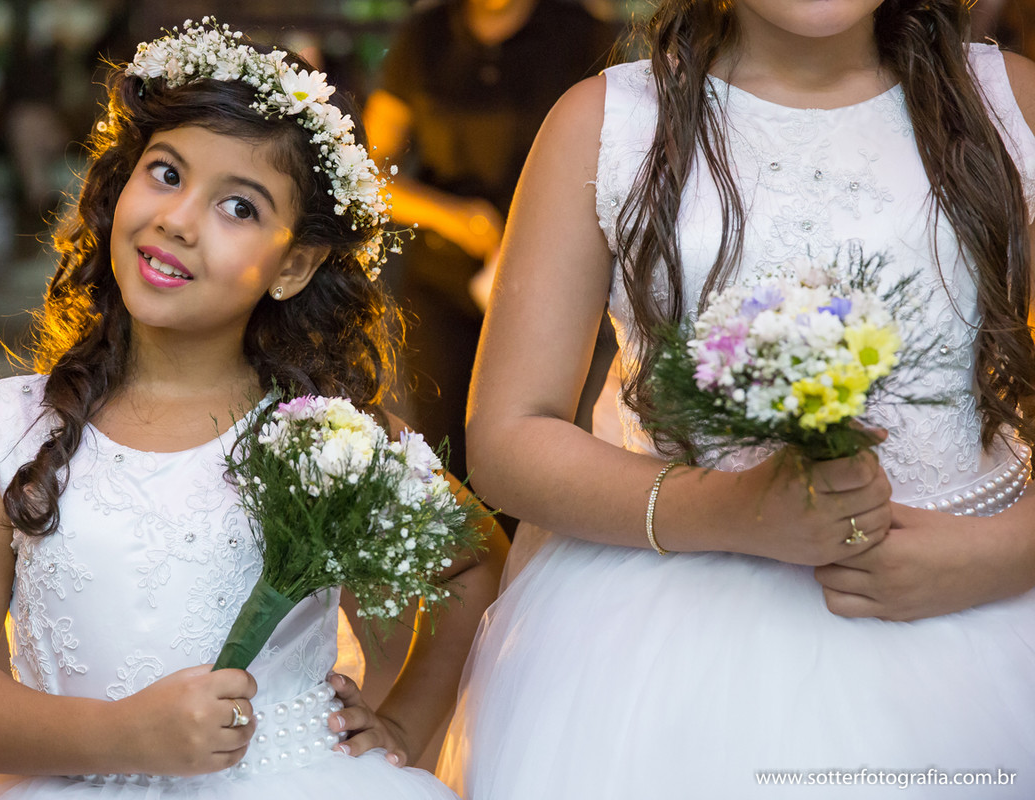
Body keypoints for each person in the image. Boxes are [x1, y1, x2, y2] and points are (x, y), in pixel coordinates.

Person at [0, 20, 506, 799]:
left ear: (295, 264)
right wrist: (125, 736)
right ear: (120, 185)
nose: (179, 219)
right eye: (167, 173)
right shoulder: (9, 429)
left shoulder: (324, 436)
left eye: (239, 207)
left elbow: (475, 562)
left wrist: (407, 727)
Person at [436, 0, 1035, 797]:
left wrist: (1009, 554)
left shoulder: (1012, 103)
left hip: (979, 607)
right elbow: (510, 435)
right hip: (666, 641)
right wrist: (729, 511)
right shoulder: (608, 122)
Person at [363, 0, 619, 497]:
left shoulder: (582, 34)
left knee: (547, 440)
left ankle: (525, 568)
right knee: (443, 449)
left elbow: (623, 151)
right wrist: (452, 217)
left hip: (557, 277)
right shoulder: (424, 39)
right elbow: (371, 174)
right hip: (444, 275)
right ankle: (463, 567)